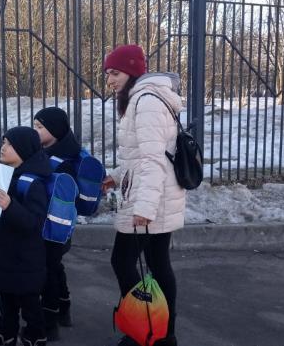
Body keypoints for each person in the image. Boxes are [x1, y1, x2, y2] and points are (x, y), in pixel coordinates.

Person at [102, 44, 185, 346]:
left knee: (122, 262)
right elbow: (139, 156)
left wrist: (145, 207)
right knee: (158, 262)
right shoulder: (141, 98)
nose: (109, 80)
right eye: (107, 73)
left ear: (133, 72)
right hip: (154, 193)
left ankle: (144, 329)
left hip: (150, 198)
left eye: (115, 73)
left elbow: (152, 160)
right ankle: (162, 334)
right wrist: (113, 177)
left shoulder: (146, 101)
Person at [0, 127, 51, 346]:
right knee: (6, 302)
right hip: (5, 256)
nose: (3, 147)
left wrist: (10, 206)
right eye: (3, 142)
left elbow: (34, 223)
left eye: (9, 144)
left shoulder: (34, 183)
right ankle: (5, 335)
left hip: (25, 260)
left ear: (23, 149)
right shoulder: (4, 176)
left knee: (29, 304)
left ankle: (36, 336)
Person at [32, 107, 78, 340]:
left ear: (56, 130)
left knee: (47, 271)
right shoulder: (47, 151)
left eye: (40, 127)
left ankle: (49, 323)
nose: (35, 131)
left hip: (54, 228)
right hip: (52, 226)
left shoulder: (62, 160)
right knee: (54, 267)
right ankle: (64, 307)